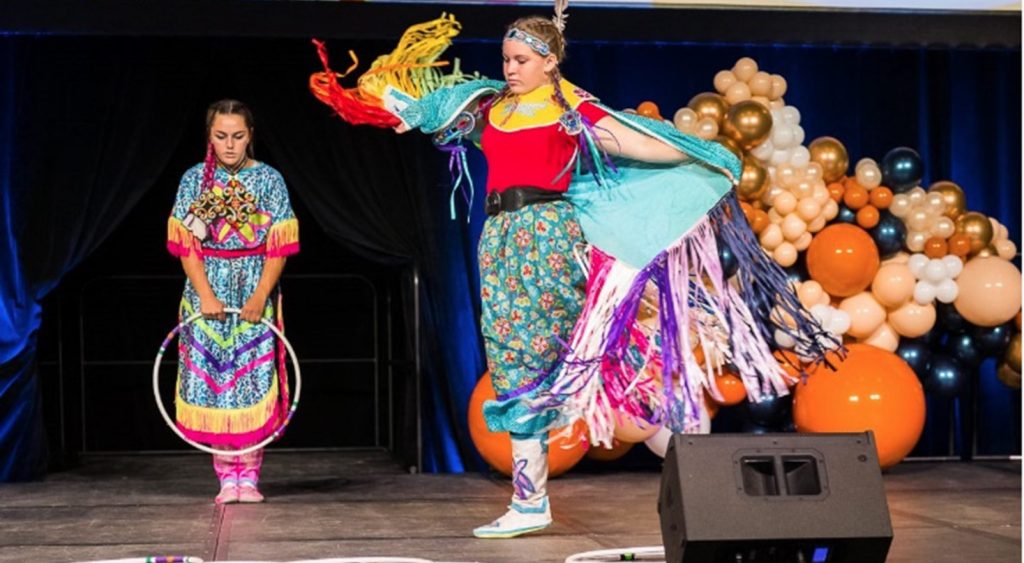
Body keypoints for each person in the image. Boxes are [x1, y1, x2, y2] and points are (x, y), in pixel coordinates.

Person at [312, 5, 835, 540]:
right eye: (506, 59)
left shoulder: (572, 110)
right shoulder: (493, 107)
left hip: (550, 235)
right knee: (512, 362)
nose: (510, 68)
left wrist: (696, 156)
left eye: (521, 60)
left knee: (569, 352)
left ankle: (665, 434)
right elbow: (443, 117)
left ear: (549, 61)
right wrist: (404, 106)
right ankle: (529, 501)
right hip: (499, 239)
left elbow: (637, 144)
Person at [166, 99, 300, 504]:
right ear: (210, 136)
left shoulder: (269, 180)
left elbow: (279, 244)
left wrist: (259, 296)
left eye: (238, 136)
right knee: (215, 382)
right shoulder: (195, 180)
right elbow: (186, 243)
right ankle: (227, 477)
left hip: (253, 287)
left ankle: (250, 476)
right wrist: (206, 294)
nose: (229, 145)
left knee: (251, 380)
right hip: (207, 289)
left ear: (250, 136)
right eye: (221, 136)